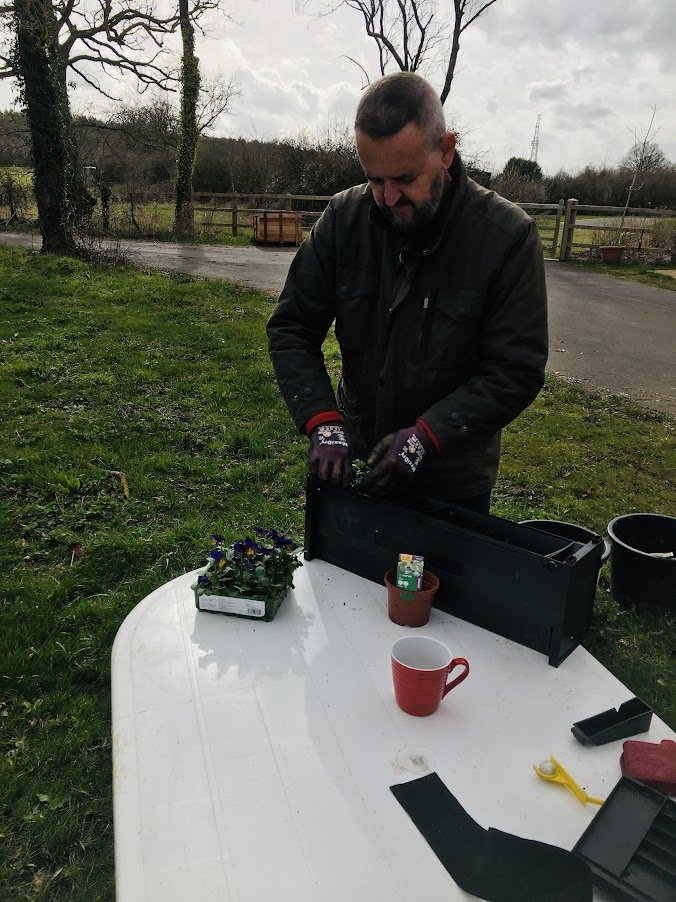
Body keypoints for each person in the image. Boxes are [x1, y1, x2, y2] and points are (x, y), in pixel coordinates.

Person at [267, 72, 548, 515]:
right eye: (374, 179)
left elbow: (515, 371)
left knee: (434, 586)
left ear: (446, 150)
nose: (388, 197)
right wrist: (322, 422)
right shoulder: (344, 219)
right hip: (356, 463)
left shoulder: (506, 237)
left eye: (403, 178)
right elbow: (292, 327)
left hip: (451, 480)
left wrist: (426, 438)